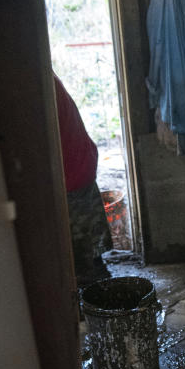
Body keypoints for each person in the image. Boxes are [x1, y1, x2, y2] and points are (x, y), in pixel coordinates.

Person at [54, 74, 113, 288]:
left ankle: (98, 298)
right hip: (78, 164)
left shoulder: (36, 81)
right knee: (87, 250)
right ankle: (99, 287)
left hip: (71, 172)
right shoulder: (44, 76)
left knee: (82, 256)